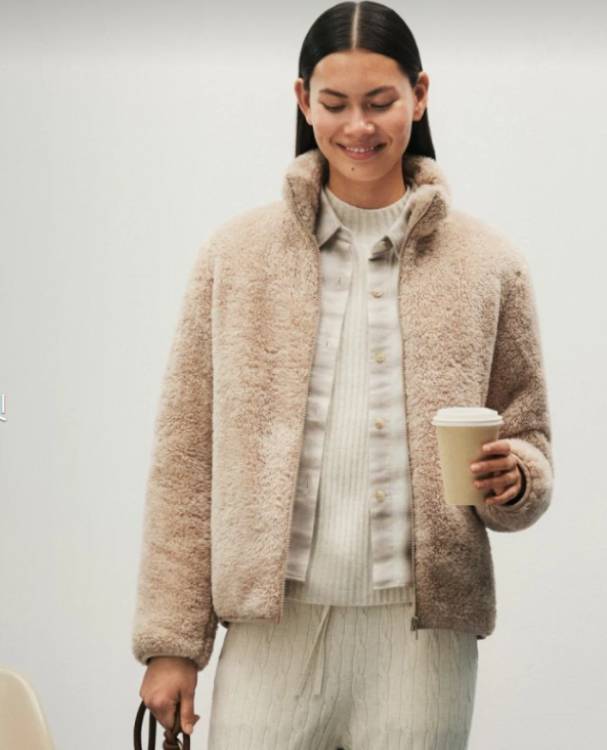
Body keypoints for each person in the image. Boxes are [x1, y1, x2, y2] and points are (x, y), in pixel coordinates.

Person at [132, 2, 554, 748]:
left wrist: (516, 478)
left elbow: (529, 438)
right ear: (303, 101)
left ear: (419, 95)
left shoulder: (489, 264)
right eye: (335, 104)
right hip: (272, 634)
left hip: (422, 641)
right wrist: (173, 643)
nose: (358, 126)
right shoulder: (236, 257)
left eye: (380, 101)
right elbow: (186, 460)